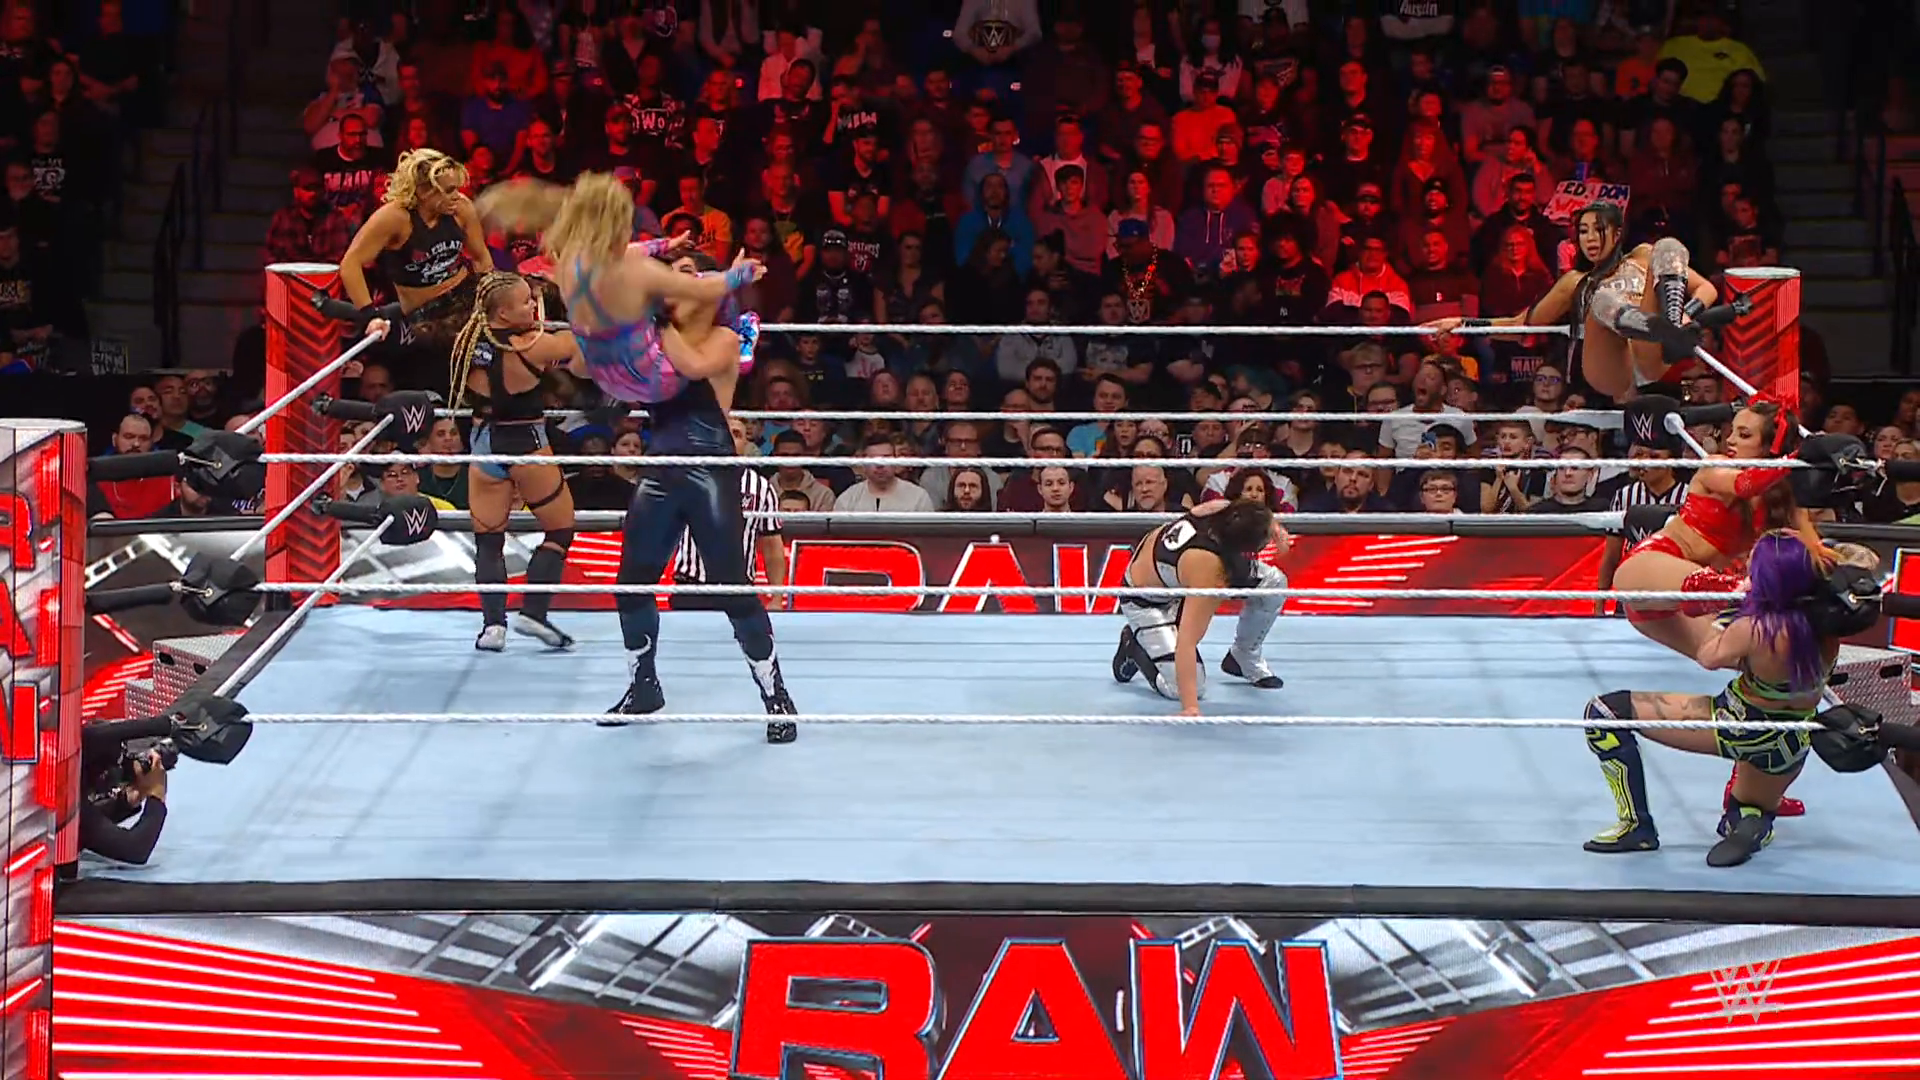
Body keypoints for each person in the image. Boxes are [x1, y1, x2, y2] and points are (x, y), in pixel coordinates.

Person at [471, 175, 796, 742]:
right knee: (632, 582)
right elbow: (646, 276)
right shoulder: (643, 307)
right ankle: (644, 687)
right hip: (662, 460)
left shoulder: (721, 336)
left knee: (730, 585)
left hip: (707, 462)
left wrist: (704, 292)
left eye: (688, 275)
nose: (678, 280)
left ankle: (776, 695)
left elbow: (694, 353)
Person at [1579, 535, 1870, 867]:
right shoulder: (1826, 629)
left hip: (1739, 726)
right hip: (1792, 741)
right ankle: (1753, 822)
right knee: (1744, 811)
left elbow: (1709, 657)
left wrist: (1727, 612)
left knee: (1605, 713)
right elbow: (1863, 562)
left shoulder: (1755, 628)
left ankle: (1635, 826)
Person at [1422, 202, 1718, 397]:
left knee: (1668, 246)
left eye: (1598, 230)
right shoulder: (1574, 281)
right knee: (1602, 298)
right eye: (1583, 231)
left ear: (1617, 234)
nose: (1589, 238)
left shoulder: (1641, 255)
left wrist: (1684, 315)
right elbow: (1522, 327)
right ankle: (1659, 328)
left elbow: (1707, 288)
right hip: (1611, 369)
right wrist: (1463, 323)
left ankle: (1668, 328)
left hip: (1652, 352)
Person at [1612, 397, 1823, 661]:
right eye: (1731, 431)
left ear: (1770, 446)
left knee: (1739, 658)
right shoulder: (1716, 467)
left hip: (1689, 604)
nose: (1730, 440)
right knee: (1752, 591)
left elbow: (1815, 550)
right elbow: (1744, 484)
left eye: (1744, 435)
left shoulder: (1783, 499)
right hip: (1651, 571)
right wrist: (1797, 459)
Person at [443, 272, 585, 652]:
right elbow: (580, 340)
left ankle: (493, 627)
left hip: (483, 445)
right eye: (526, 302)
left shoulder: (468, 342)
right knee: (560, 529)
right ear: (503, 312)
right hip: (526, 444)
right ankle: (533, 612)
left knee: (489, 541)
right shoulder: (533, 345)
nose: (533, 307)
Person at [1111, 498, 1291, 716]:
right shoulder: (1208, 569)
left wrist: (1275, 528)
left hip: (1173, 574)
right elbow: (1187, 641)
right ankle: (1133, 645)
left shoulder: (1220, 510)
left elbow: (1249, 511)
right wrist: (1190, 707)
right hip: (1145, 601)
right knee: (1187, 688)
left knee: (1274, 582)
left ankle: (1244, 655)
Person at [338, 150, 495, 382]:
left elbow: (481, 259)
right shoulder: (394, 218)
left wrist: (489, 301)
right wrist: (370, 315)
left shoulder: (461, 208)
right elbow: (350, 264)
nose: (457, 196)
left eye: (457, 188)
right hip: (423, 314)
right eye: (449, 190)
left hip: (464, 298)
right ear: (423, 191)